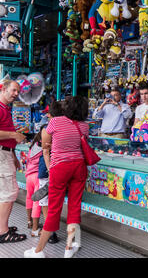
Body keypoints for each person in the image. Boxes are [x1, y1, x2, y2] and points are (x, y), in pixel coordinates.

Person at [24, 95, 90, 258]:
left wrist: (54, 145)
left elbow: (47, 143)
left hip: (60, 167)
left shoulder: (55, 122)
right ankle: (69, 248)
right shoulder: (85, 126)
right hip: (79, 166)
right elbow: (77, 144)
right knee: (74, 207)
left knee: (54, 209)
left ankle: (38, 251)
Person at [32, 101, 65, 244]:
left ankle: (50, 230)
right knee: (52, 199)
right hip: (56, 168)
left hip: (48, 168)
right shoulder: (66, 127)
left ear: (49, 114)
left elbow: (45, 152)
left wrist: (50, 169)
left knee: (46, 200)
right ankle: (50, 230)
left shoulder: (46, 129)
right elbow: (47, 151)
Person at [0, 80, 27, 243]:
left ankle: (2, 226)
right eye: (14, 90)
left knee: (4, 192)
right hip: (2, 156)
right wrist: (14, 135)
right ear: (3, 89)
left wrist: (14, 156)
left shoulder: (5, 109)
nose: (16, 94)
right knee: (9, 193)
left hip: (6, 154)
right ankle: (3, 232)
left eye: (18, 91)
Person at [25, 128, 44, 238]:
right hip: (38, 177)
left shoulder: (33, 146)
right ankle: (35, 229)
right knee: (37, 202)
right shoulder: (45, 147)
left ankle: (29, 222)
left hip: (29, 176)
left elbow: (28, 160)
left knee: (29, 198)